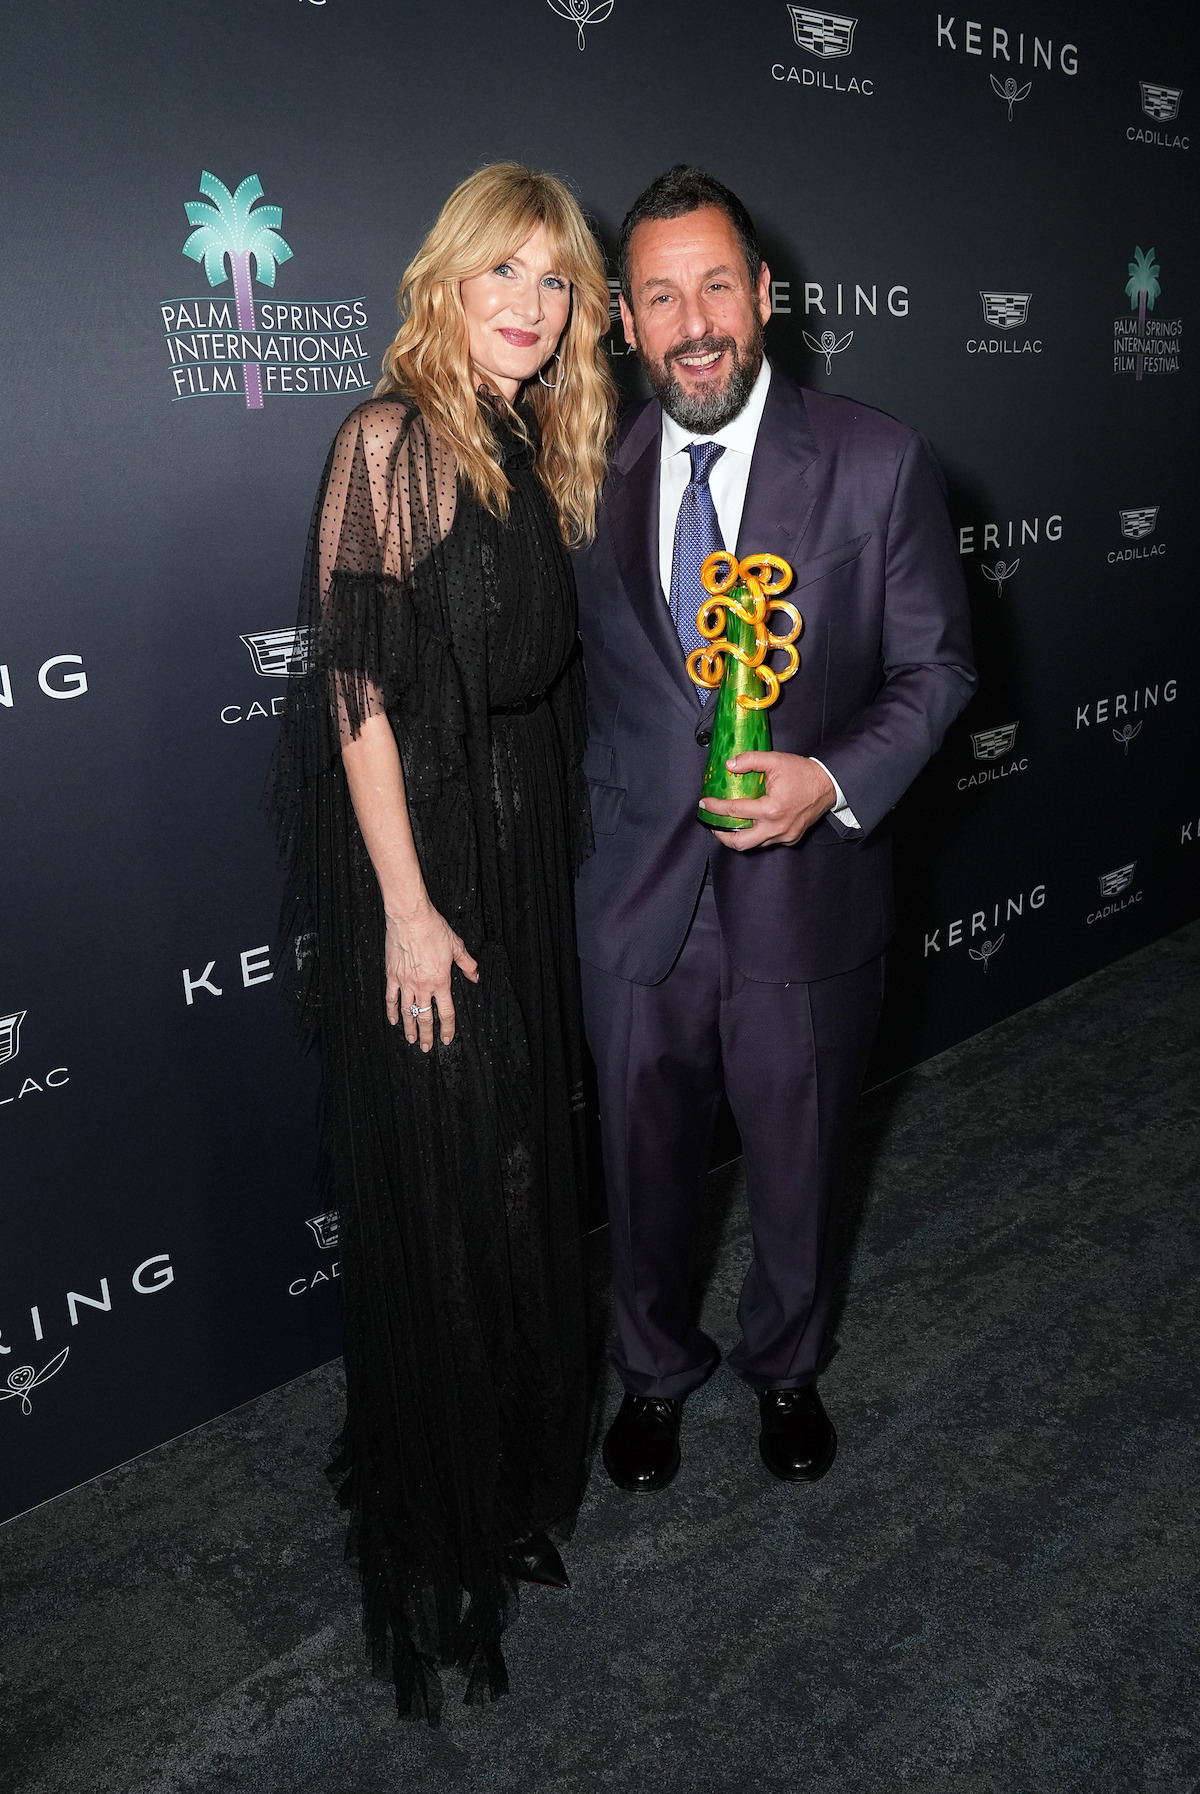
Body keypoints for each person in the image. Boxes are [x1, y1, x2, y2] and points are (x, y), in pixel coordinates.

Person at [269, 164, 616, 1722]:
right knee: (452, 1177)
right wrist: (408, 906)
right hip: (432, 867)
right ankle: (446, 1507)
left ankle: (521, 1479)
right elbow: (356, 699)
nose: (532, 306)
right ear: (447, 283)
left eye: (556, 281)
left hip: (528, 850)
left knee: (528, 1169)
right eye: (506, 274)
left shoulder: (536, 435)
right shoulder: (388, 440)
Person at [573, 167, 976, 1494]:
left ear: (766, 295)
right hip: (639, 902)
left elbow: (936, 673)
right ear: (625, 322)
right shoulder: (583, 476)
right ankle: (650, 1371)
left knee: (800, 1154)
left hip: (806, 895)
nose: (695, 322)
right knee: (640, 1169)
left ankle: (788, 1363)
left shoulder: (877, 459)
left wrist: (832, 781)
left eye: (718, 286)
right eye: (660, 295)